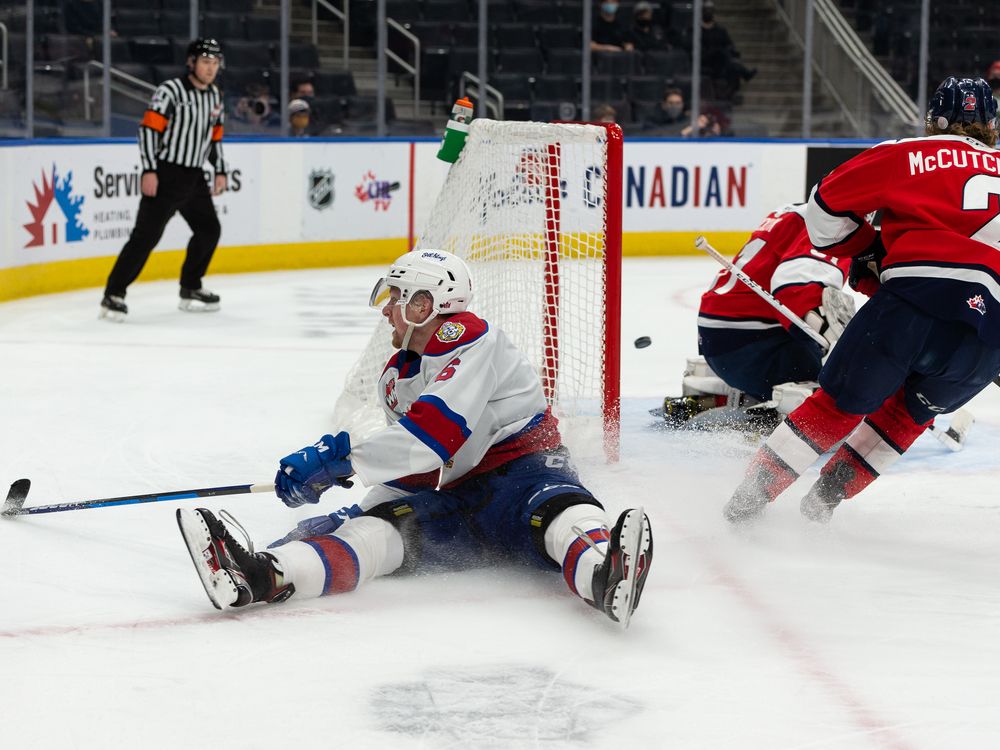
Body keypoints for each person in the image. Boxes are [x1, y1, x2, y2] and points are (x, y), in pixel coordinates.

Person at [176, 250, 654, 627]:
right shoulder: (398, 377)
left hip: (523, 473)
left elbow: (433, 438)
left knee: (558, 509)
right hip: (456, 498)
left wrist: (345, 462)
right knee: (377, 534)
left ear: (427, 304)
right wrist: (351, 509)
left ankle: (602, 575)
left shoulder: (475, 341)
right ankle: (264, 575)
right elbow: (418, 468)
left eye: (398, 297)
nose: (387, 310)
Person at [723, 76, 1000, 524]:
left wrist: (868, 248)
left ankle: (745, 505)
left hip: (912, 304)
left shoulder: (907, 153)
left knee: (837, 406)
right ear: (992, 124)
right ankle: (820, 507)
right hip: (988, 336)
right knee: (906, 419)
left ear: (934, 120)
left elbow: (824, 211)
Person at [663, 204, 853, 427]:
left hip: (720, 338)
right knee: (850, 383)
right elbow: (797, 291)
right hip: (754, 346)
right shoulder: (834, 222)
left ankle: (711, 400)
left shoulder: (794, 211)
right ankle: (773, 414)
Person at [99, 38, 227, 321]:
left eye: (215, 63)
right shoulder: (171, 91)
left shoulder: (215, 96)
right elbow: (148, 131)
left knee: (209, 230)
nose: (210, 68)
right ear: (191, 63)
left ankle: (191, 286)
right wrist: (149, 169)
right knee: (146, 237)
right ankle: (114, 293)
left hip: (194, 177)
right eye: (205, 62)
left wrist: (220, 170)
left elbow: (214, 137)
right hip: (167, 174)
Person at [700, 2, 755, 99]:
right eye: (706, 10)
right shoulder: (697, 30)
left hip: (721, 62)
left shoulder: (720, 30)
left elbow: (729, 44)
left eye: (710, 10)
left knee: (732, 65)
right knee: (722, 53)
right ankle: (745, 73)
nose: (708, 12)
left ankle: (731, 95)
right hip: (704, 60)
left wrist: (730, 50)